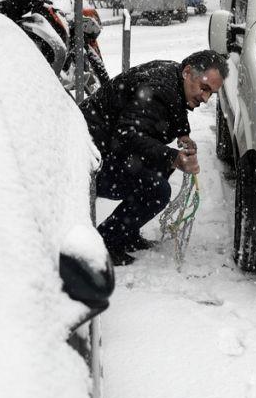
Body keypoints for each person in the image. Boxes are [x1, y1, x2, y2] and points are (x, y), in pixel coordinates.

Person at [81, 50, 228, 265]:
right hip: (87, 160)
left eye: (211, 93)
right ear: (188, 72)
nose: (206, 99)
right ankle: (106, 242)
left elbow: (174, 106)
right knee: (157, 190)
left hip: (100, 148)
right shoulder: (159, 88)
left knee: (160, 169)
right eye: (204, 89)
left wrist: (182, 133)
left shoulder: (174, 74)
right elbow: (126, 135)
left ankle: (126, 234)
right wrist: (174, 158)